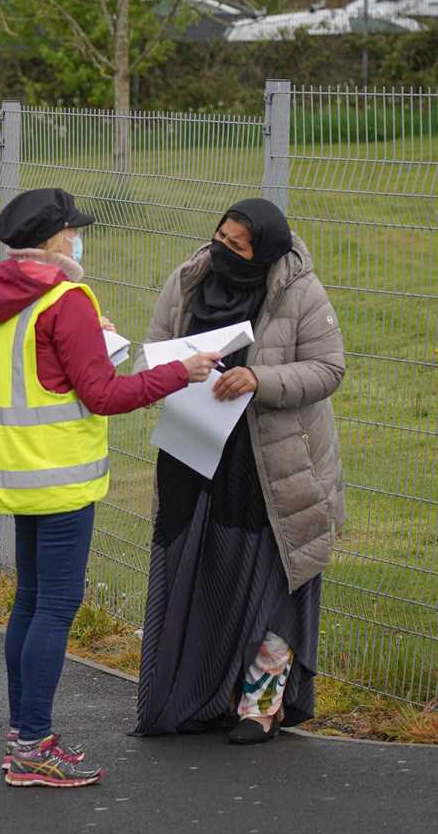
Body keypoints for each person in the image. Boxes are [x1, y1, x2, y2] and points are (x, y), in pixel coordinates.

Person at [0, 188, 220, 788]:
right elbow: (104, 395)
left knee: (28, 604)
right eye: (73, 230)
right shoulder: (66, 299)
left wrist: (91, 336)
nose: (79, 238)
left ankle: (21, 738)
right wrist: (177, 373)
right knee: (54, 608)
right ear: (56, 239)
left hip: (10, 469)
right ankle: (33, 748)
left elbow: (34, 369)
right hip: (62, 476)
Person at [134, 198, 344, 745]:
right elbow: (154, 351)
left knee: (274, 582)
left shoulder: (299, 290)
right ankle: (194, 696)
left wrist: (258, 381)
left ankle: (260, 705)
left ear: (265, 251)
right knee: (199, 574)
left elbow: (328, 368)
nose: (224, 251)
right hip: (195, 454)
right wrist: (177, 370)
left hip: (272, 466)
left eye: (239, 245)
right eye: (221, 237)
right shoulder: (190, 277)